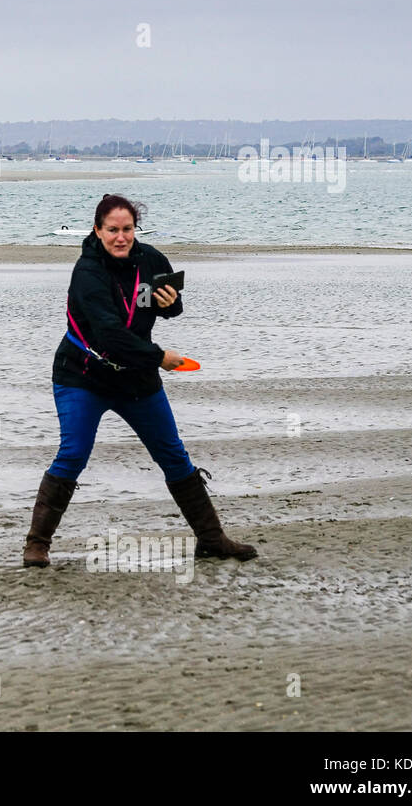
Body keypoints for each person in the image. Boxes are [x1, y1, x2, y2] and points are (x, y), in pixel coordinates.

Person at [23, 194, 257, 567]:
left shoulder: (150, 260)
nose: (121, 237)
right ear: (97, 230)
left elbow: (166, 306)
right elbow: (110, 334)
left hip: (135, 379)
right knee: (73, 454)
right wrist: (161, 358)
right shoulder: (87, 273)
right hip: (83, 376)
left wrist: (170, 303)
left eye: (127, 229)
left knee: (174, 455)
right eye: (113, 230)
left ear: (136, 229)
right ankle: (37, 545)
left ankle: (212, 540)